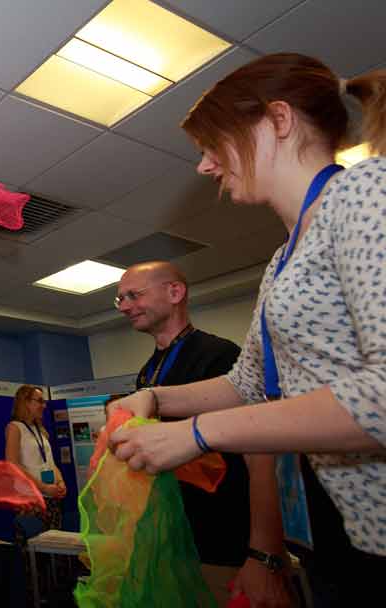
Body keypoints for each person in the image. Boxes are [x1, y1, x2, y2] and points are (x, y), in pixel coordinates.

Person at [107, 53, 386, 604]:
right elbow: (248, 385)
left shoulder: (364, 193)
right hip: (329, 532)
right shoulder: (281, 260)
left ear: (278, 120)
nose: (205, 166)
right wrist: (154, 398)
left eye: (214, 143)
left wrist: (196, 435)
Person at [114, 261, 290, 607]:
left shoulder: (219, 356)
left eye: (133, 295)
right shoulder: (147, 373)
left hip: (226, 546)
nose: (124, 306)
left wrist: (263, 553)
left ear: (175, 292)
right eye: (119, 299)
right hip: (179, 542)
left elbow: (260, 454)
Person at [5, 384, 65, 548]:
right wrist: (43, 487)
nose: (44, 406)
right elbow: (12, 464)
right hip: (30, 500)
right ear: (25, 402)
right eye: (39, 401)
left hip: (51, 499)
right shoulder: (15, 428)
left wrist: (60, 482)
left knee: (55, 550)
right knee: (34, 553)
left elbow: (50, 462)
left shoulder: (41, 430)